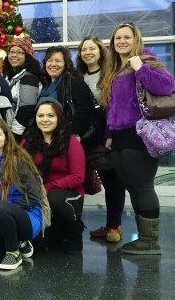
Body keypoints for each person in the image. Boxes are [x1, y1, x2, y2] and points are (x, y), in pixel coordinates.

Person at [98, 23, 175, 255]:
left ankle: (150, 242)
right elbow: (112, 106)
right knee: (131, 187)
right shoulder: (114, 68)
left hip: (141, 133)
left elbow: (166, 86)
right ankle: (143, 238)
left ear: (136, 39)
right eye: (117, 38)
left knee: (142, 186)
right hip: (120, 136)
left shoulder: (146, 59)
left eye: (126, 37)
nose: (121, 41)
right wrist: (109, 134)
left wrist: (140, 68)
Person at [0, 119, 49, 271]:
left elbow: (33, 199)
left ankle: (14, 252)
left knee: (0, 206)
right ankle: (17, 241)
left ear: (6, 138)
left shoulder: (19, 161)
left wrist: (3, 210)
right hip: (0, 215)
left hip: (28, 216)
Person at [76, 36, 124, 243]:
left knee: (112, 181)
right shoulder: (78, 77)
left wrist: (111, 134)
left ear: (100, 51)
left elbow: (116, 107)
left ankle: (113, 227)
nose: (87, 53)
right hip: (84, 137)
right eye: (83, 50)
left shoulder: (110, 75)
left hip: (104, 136)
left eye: (91, 49)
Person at [22, 98, 85, 254]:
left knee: (55, 198)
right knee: (41, 245)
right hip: (38, 196)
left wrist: (46, 188)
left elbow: (78, 176)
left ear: (59, 118)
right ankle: (58, 230)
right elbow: (19, 170)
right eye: (40, 115)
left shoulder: (71, 142)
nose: (45, 120)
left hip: (67, 195)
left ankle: (75, 235)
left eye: (50, 115)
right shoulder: (27, 142)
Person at [38, 46, 94, 140]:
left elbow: (85, 109)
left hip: (68, 137)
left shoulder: (74, 81)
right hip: (49, 138)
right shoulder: (44, 85)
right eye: (50, 60)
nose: (53, 64)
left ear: (65, 64)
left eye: (58, 61)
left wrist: (76, 133)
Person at [2, 36, 42, 141]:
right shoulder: (9, 77)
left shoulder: (29, 78)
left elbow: (26, 110)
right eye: (11, 51)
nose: (14, 55)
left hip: (21, 136)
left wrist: (13, 136)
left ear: (27, 57)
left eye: (20, 52)